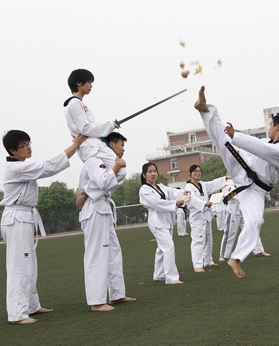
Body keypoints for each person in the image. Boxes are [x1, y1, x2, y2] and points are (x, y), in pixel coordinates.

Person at [194, 86, 279, 278]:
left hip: (255, 189)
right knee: (221, 139)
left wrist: (236, 136)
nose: (269, 129)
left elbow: (261, 150)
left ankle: (236, 258)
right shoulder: (268, 142)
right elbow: (255, 147)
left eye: (271, 125)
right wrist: (234, 140)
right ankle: (205, 110)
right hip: (242, 168)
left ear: (277, 127)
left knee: (256, 221)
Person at [0, 130, 87, 324]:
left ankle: (31, 306)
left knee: (29, 264)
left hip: (24, 216)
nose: (29, 147)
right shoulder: (16, 168)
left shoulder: (22, 165)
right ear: (13, 150)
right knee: (19, 265)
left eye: (29, 142)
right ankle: (17, 314)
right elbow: (49, 166)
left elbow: (47, 166)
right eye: (24, 145)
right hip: (17, 218)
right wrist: (75, 145)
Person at [79, 132, 135, 311]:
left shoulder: (108, 163)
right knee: (97, 254)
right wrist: (116, 168)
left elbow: (112, 183)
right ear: (110, 144)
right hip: (94, 209)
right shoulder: (95, 160)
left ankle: (117, 294)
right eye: (121, 145)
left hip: (102, 208)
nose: (123, 149)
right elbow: (104, 182)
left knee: (113, 252)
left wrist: (86, 191)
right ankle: (97, 301)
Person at [64, 69, 125, 208]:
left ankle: (87, 192)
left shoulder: (79, 104)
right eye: (89, 82)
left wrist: (110, 126)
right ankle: (86, 192)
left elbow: (87, 127)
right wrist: (110, 125)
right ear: (79, 83)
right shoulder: (74, 103)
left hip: (93, 145)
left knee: (110, 176)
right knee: (120, 171)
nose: (91, 85)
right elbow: (85, 128)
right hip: (91, 147)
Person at [139, 162, 188, 285]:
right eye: (150, 172)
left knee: (162, 248)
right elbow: (155, 203)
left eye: (155, 171)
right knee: (168, 246)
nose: (153, 174)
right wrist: (174, 204)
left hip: (167, 219)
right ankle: (171, 277)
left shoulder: (160, 187)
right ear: (144, 175)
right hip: (156, 220)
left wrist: (184, 192)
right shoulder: (144, 190)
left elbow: (172, 192)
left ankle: (158, 274)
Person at [184, 164, 226, 273]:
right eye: (195, 171)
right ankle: (197, 265)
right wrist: (204, 204)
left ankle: (208, 261)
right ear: (190, 174)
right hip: (197, 216)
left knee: (208, 239)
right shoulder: (188, 187)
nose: (197, 173)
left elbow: (213, 184)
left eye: (199, 171)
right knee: (198, 240)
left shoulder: (203, 184)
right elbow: (192, 199)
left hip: (206, 216)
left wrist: (225, 178)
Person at [219, 176, 270, 262]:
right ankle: (223, 255)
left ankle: (259, 250)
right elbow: (227, 196)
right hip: (233, 211)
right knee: (230, 233)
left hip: (245, 209)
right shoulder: (226, 183)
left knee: (252, 229)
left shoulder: (244, 180)